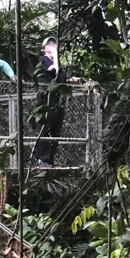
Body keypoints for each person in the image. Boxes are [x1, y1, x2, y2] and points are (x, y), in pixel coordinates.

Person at [33, 37, 82, 168]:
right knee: (45, 129)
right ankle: (42, 159)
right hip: (47, 100)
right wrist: (55, 54)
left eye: (54, 43)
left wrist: (70, 80)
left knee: (55, 130)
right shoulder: (44, 60)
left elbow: (58, 79)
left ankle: (50, 160)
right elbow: (53, 70)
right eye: (49, 44)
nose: (53, 45)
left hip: (58, 101)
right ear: (43, 49)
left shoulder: (57, 62)